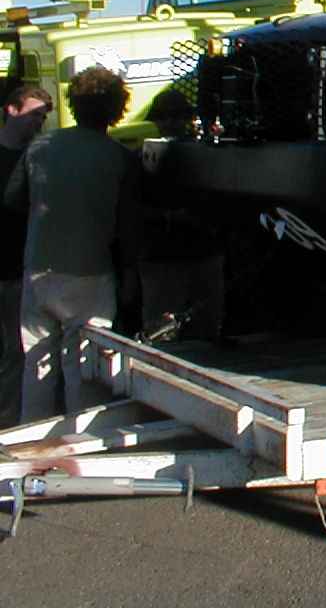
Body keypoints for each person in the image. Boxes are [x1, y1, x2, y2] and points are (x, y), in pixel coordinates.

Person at [6, 67, 140, 421]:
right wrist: (129, 276)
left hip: (38, 268)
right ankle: (81, 439)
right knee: (83, 366)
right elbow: (128, 225)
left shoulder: (39, 147)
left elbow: (14, 199)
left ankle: (29, 439)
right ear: (117, 109)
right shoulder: (118, 157)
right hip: (90, 272)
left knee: (36, 362)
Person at [137, 88, 225, 343]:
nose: (171, 123)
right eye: (165, 117)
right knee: (161, 331)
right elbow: (135, 207)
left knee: (204, 326)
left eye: (176, 117)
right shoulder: (144, 158)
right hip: (163, 257)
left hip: (200, 253)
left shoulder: (205, 154)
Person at [0, 85, 53, 426]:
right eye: (34, 113)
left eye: (44, 116)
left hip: (22, 268)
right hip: (4, 267)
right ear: (11, 110)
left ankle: (10, 426)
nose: (40, 121)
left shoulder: (37, 158)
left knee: (17, 353)